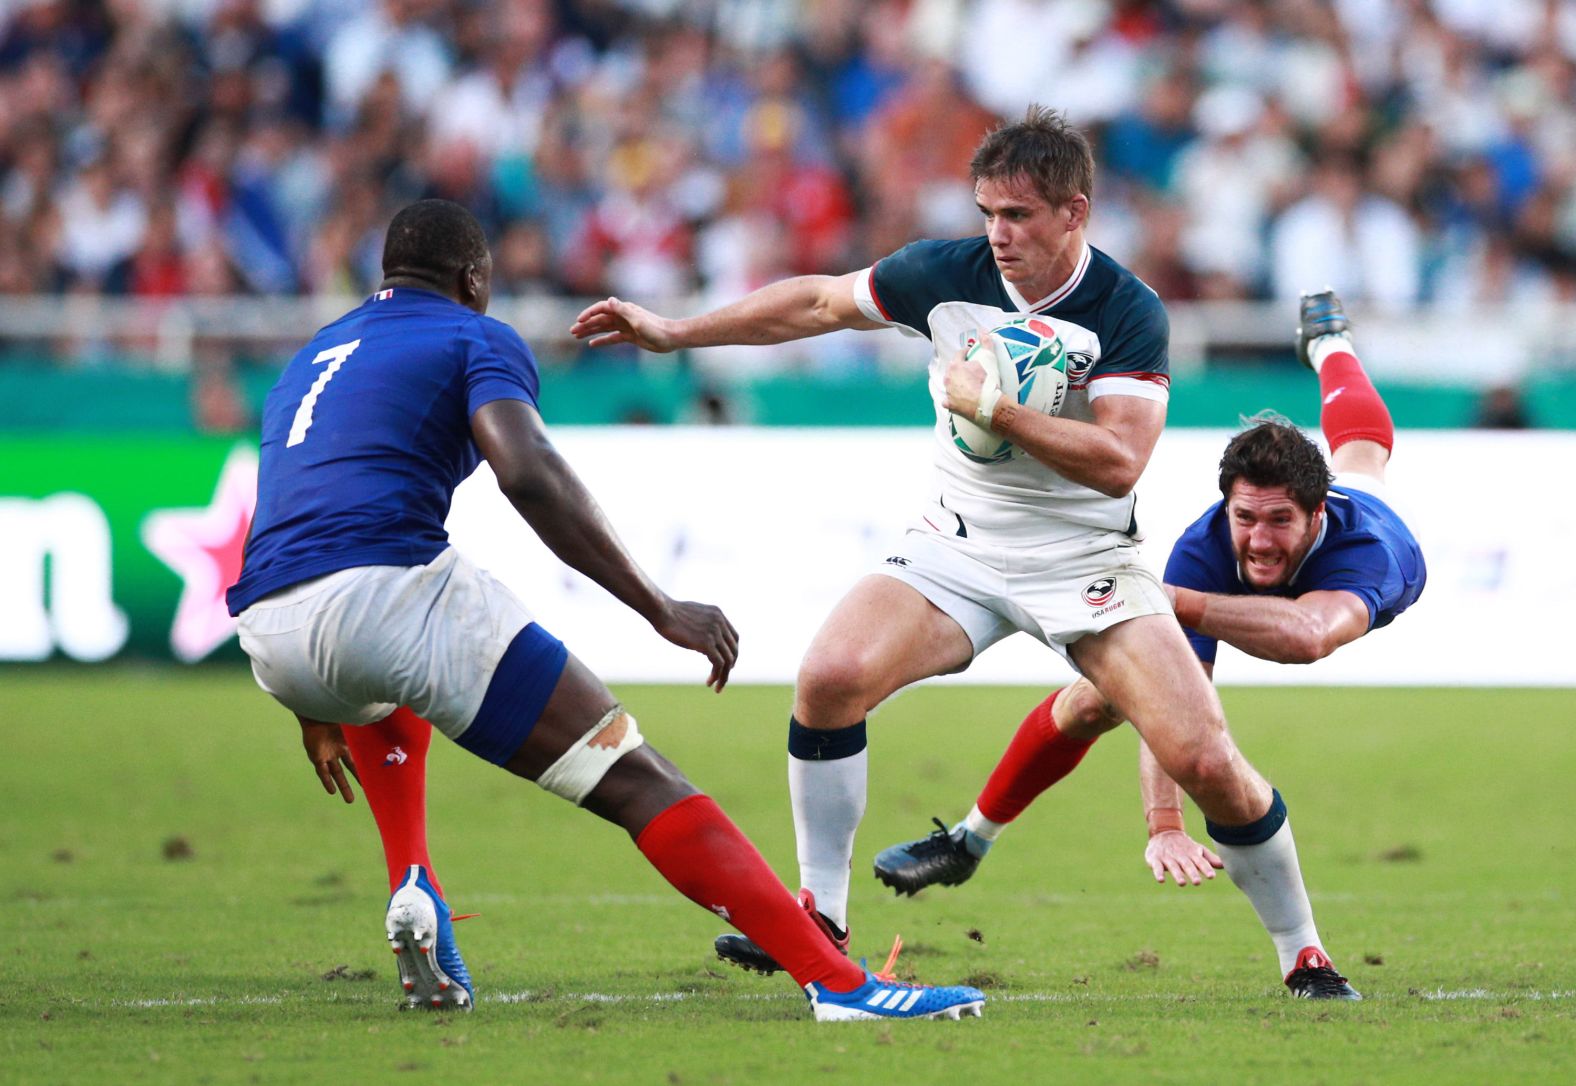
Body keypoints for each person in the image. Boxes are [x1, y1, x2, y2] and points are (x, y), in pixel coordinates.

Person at [570, 109, 1361, 1000]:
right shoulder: (943, 272)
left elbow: (1119, 463)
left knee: (1207, 761)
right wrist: (678, 332)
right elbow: (819, 301)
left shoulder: (1126, 310)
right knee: (828, 679)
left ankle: (1303, 950)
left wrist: (999, 411)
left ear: (1075, 212)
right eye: (987, 211)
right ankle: (821, 915)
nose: (999, 233)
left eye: (1019, 215)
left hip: (1084, 561)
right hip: (958, 543)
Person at [225, 198, 985, 1023]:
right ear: (474, 279)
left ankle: (415, 881)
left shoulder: (310, 357)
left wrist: (308, 697)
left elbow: (290, 519)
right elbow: (530, 472)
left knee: (380, 678)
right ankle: (842, 988)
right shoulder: (473, 335)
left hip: (269, 624)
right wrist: (658, 607)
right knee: (634, 780)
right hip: (385, 591)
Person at [873, 289, 1423, 984]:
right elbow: (1169, 701)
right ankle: (969, 840)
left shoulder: (1368, 551)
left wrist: (1172, 603)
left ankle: (1330, 348)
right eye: (1244, 516)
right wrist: (1163, 821)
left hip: (1358, 573)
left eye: (1280, 520)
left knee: (1364, 461)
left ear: (1314, 516)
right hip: (1205, 591)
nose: (1256, 539)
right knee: (1092, 701)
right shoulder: (1206, 545)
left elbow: (1309, 635)